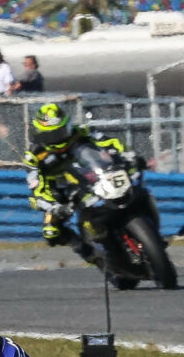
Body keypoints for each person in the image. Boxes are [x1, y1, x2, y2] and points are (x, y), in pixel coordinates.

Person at [23, 102, 132, 261]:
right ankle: (87, 252)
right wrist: (53, 206)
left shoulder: (81, 132)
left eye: (61, 131)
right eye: (51, 135)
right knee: (51, 232)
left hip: (92, 174)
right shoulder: (33, 156)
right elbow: (36, 188)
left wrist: (126, 155)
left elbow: (110, 142)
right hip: (60, 191)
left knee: (133, 183)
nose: (58, 138)